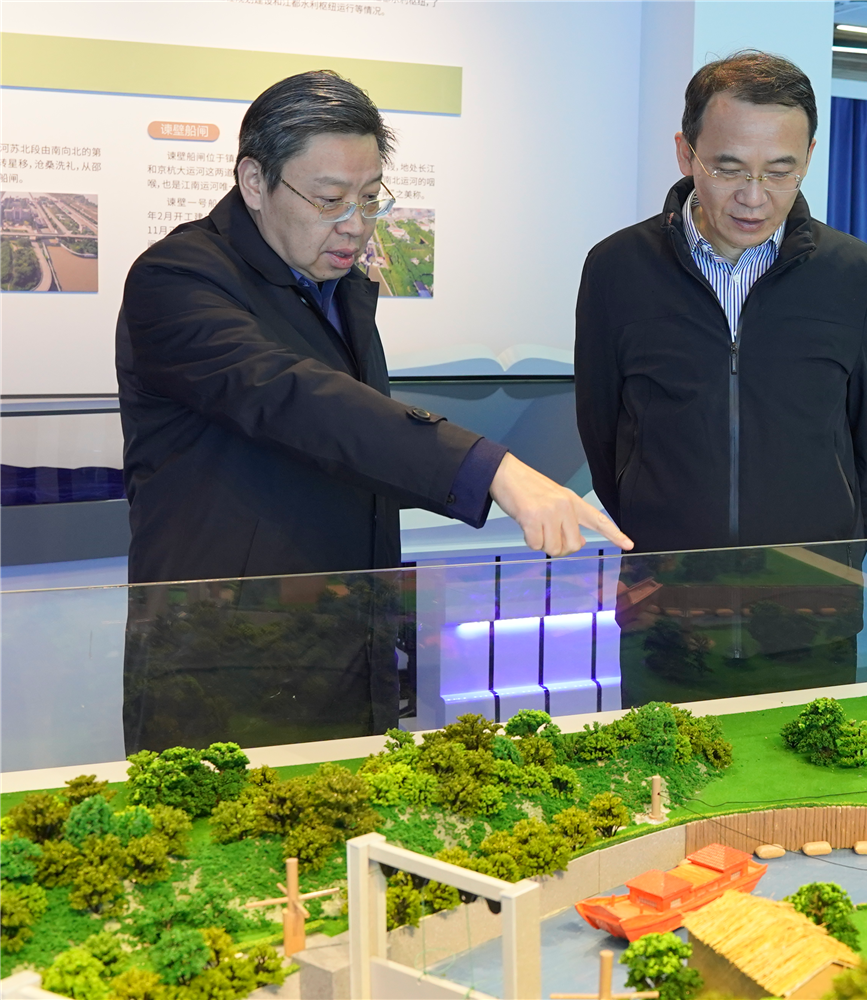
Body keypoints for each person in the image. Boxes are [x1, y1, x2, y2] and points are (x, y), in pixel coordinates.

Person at [115, 72, 633, 753]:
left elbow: (352, 447)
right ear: (254, 181)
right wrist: (492, 469)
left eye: (369, 198)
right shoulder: (178, 278)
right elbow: (297, 401)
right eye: (330, 199)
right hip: (225, 654)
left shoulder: (336, 288)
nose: (356, 224)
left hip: (342, 635)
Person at [575, 51, 867, 703]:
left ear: (808, 157)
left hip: (809, 614)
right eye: (728, 168)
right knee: (663, 770)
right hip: (665, 613)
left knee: (806, 770)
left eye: (780, 171)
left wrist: (831, 564)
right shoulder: (618, 268)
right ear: (686, 152)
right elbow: (602, 431)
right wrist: (658, 538)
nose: (755, 197)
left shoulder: (853, 273)